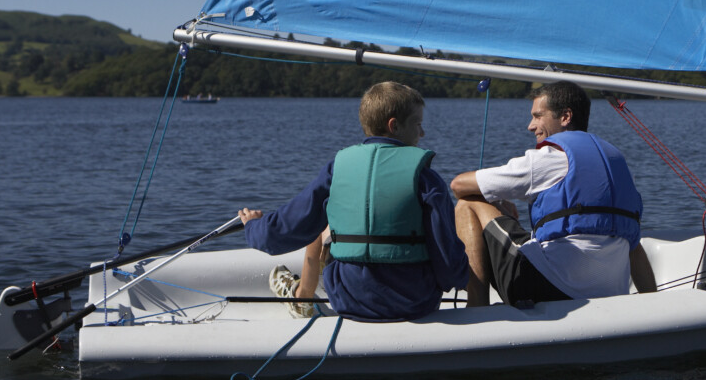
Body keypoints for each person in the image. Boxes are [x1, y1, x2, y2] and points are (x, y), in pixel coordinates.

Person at [240, 82, 468, 321]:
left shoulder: (337, 170)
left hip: (349, 300)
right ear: (394, 125)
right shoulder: (427, 179)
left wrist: (253, 226)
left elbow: (285, 228)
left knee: (325, 224)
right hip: (414, 302)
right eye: (418, 124)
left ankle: (301, 294)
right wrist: (461, 277)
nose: (422, 133)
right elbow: (448, 262)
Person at [451, 80, 656, 307]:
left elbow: (458, 184)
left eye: (538, 116)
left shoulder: (547, 159)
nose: (531, 126)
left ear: (565, 116)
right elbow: (634, 247)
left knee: (468, 202)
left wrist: (497, 199)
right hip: (611, 293)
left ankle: (477, 306)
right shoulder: (617, 164)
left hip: (548, 289)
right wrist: (652, 305)